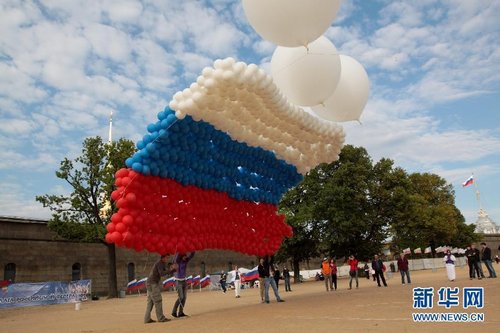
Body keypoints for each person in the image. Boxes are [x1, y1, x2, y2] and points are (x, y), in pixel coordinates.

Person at [144, 254, 177, 324]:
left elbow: (165, 271)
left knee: (150, 302)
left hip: (150, 283)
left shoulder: (161, 263)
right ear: (163, 258)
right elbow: (162, 273)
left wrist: (171, 269)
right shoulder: (160, 263)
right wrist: (172, 270)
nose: (167, 259)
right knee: (158, 300)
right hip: (152, 284)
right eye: (167, 257)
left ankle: (147, 319)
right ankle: (161, 318)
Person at [171, 252, 195, 318]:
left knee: (184, 298)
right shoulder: (177, 262)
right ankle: (174, 311)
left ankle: (181, 312)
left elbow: (191, 255)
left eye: (186, 256)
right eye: (184, 256)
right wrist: (180, 250)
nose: (185, 257)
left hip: (184, 281)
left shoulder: (185, 262)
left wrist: (193, 249)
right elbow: (178, 256)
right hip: (178, 281)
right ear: (181, 256)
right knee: (180, 297)